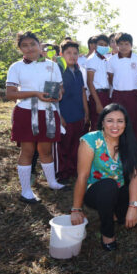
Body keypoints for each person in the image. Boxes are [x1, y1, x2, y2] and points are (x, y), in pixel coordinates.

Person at [70, 103, 137, 251]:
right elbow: (82, 177)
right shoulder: (90, 141)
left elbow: (135, 176)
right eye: (110, 120)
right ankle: (107, 232)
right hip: (95, 191)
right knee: (108, 185)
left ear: (125, 123)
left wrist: (132, 207)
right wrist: (76, 209)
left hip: (118, 188)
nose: (115, 125)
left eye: (120, 121)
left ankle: (116, 213)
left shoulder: (128, 142)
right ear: (102, 122)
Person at [5, 31, 65, 204]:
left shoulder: (52, 65)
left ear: (40, 45)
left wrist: (58, 95)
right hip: (25, 112)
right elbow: (10, 93)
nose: (29, 48)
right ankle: (26, 191)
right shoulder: (16, 67)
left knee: (45, 150)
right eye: (25, 45)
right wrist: (35, 93)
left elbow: (60, 88)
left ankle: (52, 182)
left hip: (48, 111)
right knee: (28, 151)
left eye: (33, 44)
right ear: (20, 49)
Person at [56, 40, 89, 182]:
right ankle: (62, 174)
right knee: (63, 146)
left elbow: (82, 92)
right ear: (61, 54)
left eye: (75, 53)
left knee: (76, 144)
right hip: (64, 115)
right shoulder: (57, 71)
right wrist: (59, 116)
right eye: (68, 53)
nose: (72, 56)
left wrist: (86, 112)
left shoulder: (79, 71)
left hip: (78, 114)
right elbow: (54, 97)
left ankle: (73, 170)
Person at [107, 32, 137, 145]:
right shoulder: (112, 60)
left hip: (134, 94)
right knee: (118, 121)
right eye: (121, 44)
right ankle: (119, 148)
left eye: (126, 44)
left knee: (135, 121)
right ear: (116, 45)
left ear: (131, 45)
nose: (124, 47)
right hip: (118, 95)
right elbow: (110, 78)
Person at [86, 34, 112, 131]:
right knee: (97, 126)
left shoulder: (104, 59)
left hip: (105, 95)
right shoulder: (92, 59)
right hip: (97, 95)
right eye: (101, 44)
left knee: (105, 125)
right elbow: (90, 82)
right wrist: (98, 103)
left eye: (106, 45)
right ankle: (95, 146)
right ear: (95, 45)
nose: (104, 47)